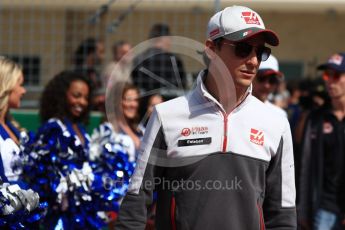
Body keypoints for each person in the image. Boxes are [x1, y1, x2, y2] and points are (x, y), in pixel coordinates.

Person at [115, 5, 296, 229]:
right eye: (243, 49)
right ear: (211, 49)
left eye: (260, 52)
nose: (253, 61)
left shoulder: (276, 122)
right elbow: (136, 199)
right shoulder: (167, 115)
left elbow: (282, 213)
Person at [298, 52, 345, 230]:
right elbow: (305, 164)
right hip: (324, 207)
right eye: (327, 75)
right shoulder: (316, 118)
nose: (330, 81)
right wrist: (303, 209)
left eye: (336, 75)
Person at [0, 57, 46, 227]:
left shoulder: (13, 126)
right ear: (6, 85)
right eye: (20, 84)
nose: (23, 91)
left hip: (21, 216)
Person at [131, 23, 186, 94]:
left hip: (145, 101)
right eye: (170, 38)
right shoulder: (174, 60)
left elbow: (135, 83)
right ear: (165, 39)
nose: (170, 42)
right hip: (168, 100)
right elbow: (182, 84)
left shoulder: (139, 59)